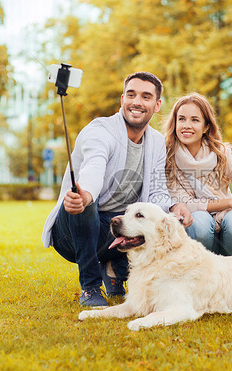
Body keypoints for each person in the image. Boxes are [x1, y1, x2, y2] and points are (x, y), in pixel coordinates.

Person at [41, 72, 193, 308]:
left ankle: (114, 268)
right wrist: (85, 195)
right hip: (72, 231)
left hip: (112, 229)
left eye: (145, 96)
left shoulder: (155, 142)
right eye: (131, 95)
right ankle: (90, 287)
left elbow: (156, 193)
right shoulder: (100, 130)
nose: (137, 102)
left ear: (157, 105)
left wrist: (173, 207)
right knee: (87, 206)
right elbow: (94, 167)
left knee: (142, 217)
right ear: (122, 99)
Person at [164, 93, 232, 256]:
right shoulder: (166, 156)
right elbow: (186, 203)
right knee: (200, 219)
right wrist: (230, 202)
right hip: (195, 228)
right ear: (175, 123)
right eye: (181, 119)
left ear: (206, 126)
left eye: (195, 120)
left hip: (226, 226)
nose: (187, 125)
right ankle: (203, 271)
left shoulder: (221, 154)